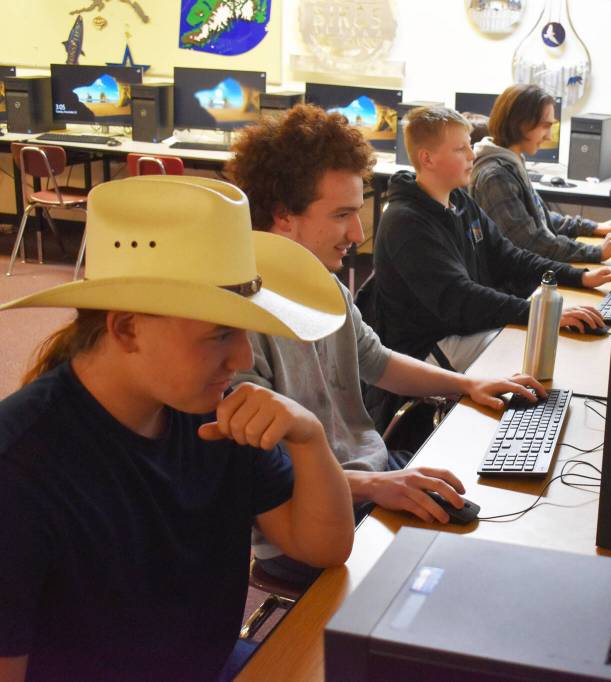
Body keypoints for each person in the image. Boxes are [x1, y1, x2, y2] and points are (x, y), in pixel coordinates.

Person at [0, 175, 355, 682]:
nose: (243, 358)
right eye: (220, 335)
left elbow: (322, 547)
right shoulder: (19, 473)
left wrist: (309, 437)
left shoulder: (215, 415)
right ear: (126, 328)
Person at [227, 104, 547, 584]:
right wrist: (382, 483)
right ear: (282, 216)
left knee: (497, 521)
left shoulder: (322, 284)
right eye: (342, 216)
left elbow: (375, 361)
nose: (358, 235)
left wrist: (468, 385)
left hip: (372, 476)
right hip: (309, 521)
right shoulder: (234, 325)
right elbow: (269, 476)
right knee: (462, 576)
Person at [373, 106, 611, 373]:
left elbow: (510, 256)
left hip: (465, 327)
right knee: (539, 353)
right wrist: (541, 315)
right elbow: (460, 297)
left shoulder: (459, 201)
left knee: (552, 345)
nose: (472, 155)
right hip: (426, 346)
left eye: (469, 146)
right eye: (460, 149)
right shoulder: (406, 222)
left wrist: (579, 277)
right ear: (427, 159)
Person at [469, 84, 611, 263]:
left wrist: (595, 227)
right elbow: (530, 242)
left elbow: (540, 218)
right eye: (545, 126)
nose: (548, 136)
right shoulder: (495, 175)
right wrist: (597, 252)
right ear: (520, 123)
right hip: (518, 284)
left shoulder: (510, 161)